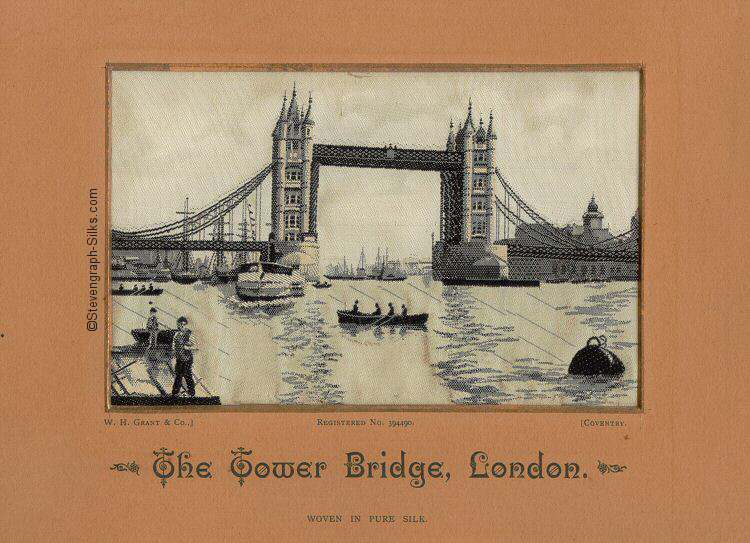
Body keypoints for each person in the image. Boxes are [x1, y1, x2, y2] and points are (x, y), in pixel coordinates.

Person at [171, 316, 195, 397]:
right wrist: (174, 352)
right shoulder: (176, 334)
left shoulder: (189, 333)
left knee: (187, 374)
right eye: (180, 324)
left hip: (187, 358)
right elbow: (173, 346)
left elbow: (195, 346)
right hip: (180, 358)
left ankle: (191, 392)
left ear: (185, 325)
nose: (181, 326)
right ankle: (175, 393)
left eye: (183, 324)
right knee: (178, 375)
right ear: (178, 325)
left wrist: (186, 347)